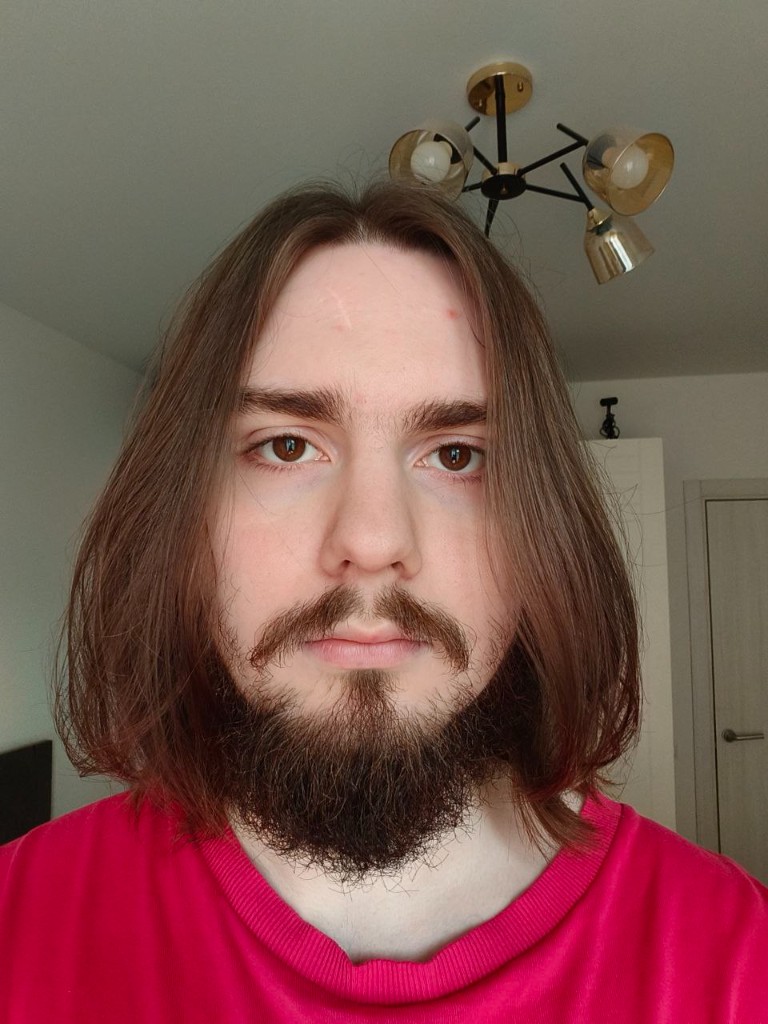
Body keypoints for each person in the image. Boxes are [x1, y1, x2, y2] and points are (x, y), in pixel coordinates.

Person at [0, 182, 765, 1022]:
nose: (370, 539)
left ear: (545, 527)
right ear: (181, 514)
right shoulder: (19, 923)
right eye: (285, 446)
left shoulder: (736, 959)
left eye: (458, 455)